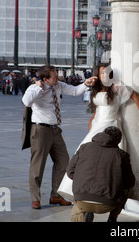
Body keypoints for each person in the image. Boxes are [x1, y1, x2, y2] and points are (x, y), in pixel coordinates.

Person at [58, 63, 139, 219]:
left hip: (111, 125)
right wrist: (92, 121)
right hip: (97, 126)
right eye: (101, 73)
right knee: (86, 157)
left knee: (112, 163)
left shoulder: (116, 86)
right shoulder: (95, 88)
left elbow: (135, 95)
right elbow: (97, 109)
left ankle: (108, 200)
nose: (103, 76)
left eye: (105, 73)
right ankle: (83, 194)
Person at [22, 65, 97, 210]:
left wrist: (86, 84)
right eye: (54, 76)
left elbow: (74, 91)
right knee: (38, 166)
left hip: (55, 129)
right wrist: (38, 87)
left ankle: (55, 195)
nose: (58, 77)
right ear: (45, 79)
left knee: (63, 162)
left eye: (57, 74)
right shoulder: (34, 88)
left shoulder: (58, 86)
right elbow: (26, 102)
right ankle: (35, 198)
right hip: (40, 129)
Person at [67, 126, 135, 222]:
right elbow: (130, 183)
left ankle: (83, 215)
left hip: (82, 200)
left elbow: (70, 172)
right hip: (108, 203)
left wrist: (83, 179)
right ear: (118, 141)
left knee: (77, 209)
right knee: (127, 189)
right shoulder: (121, 155)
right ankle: (113, 217)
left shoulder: (84, 147)